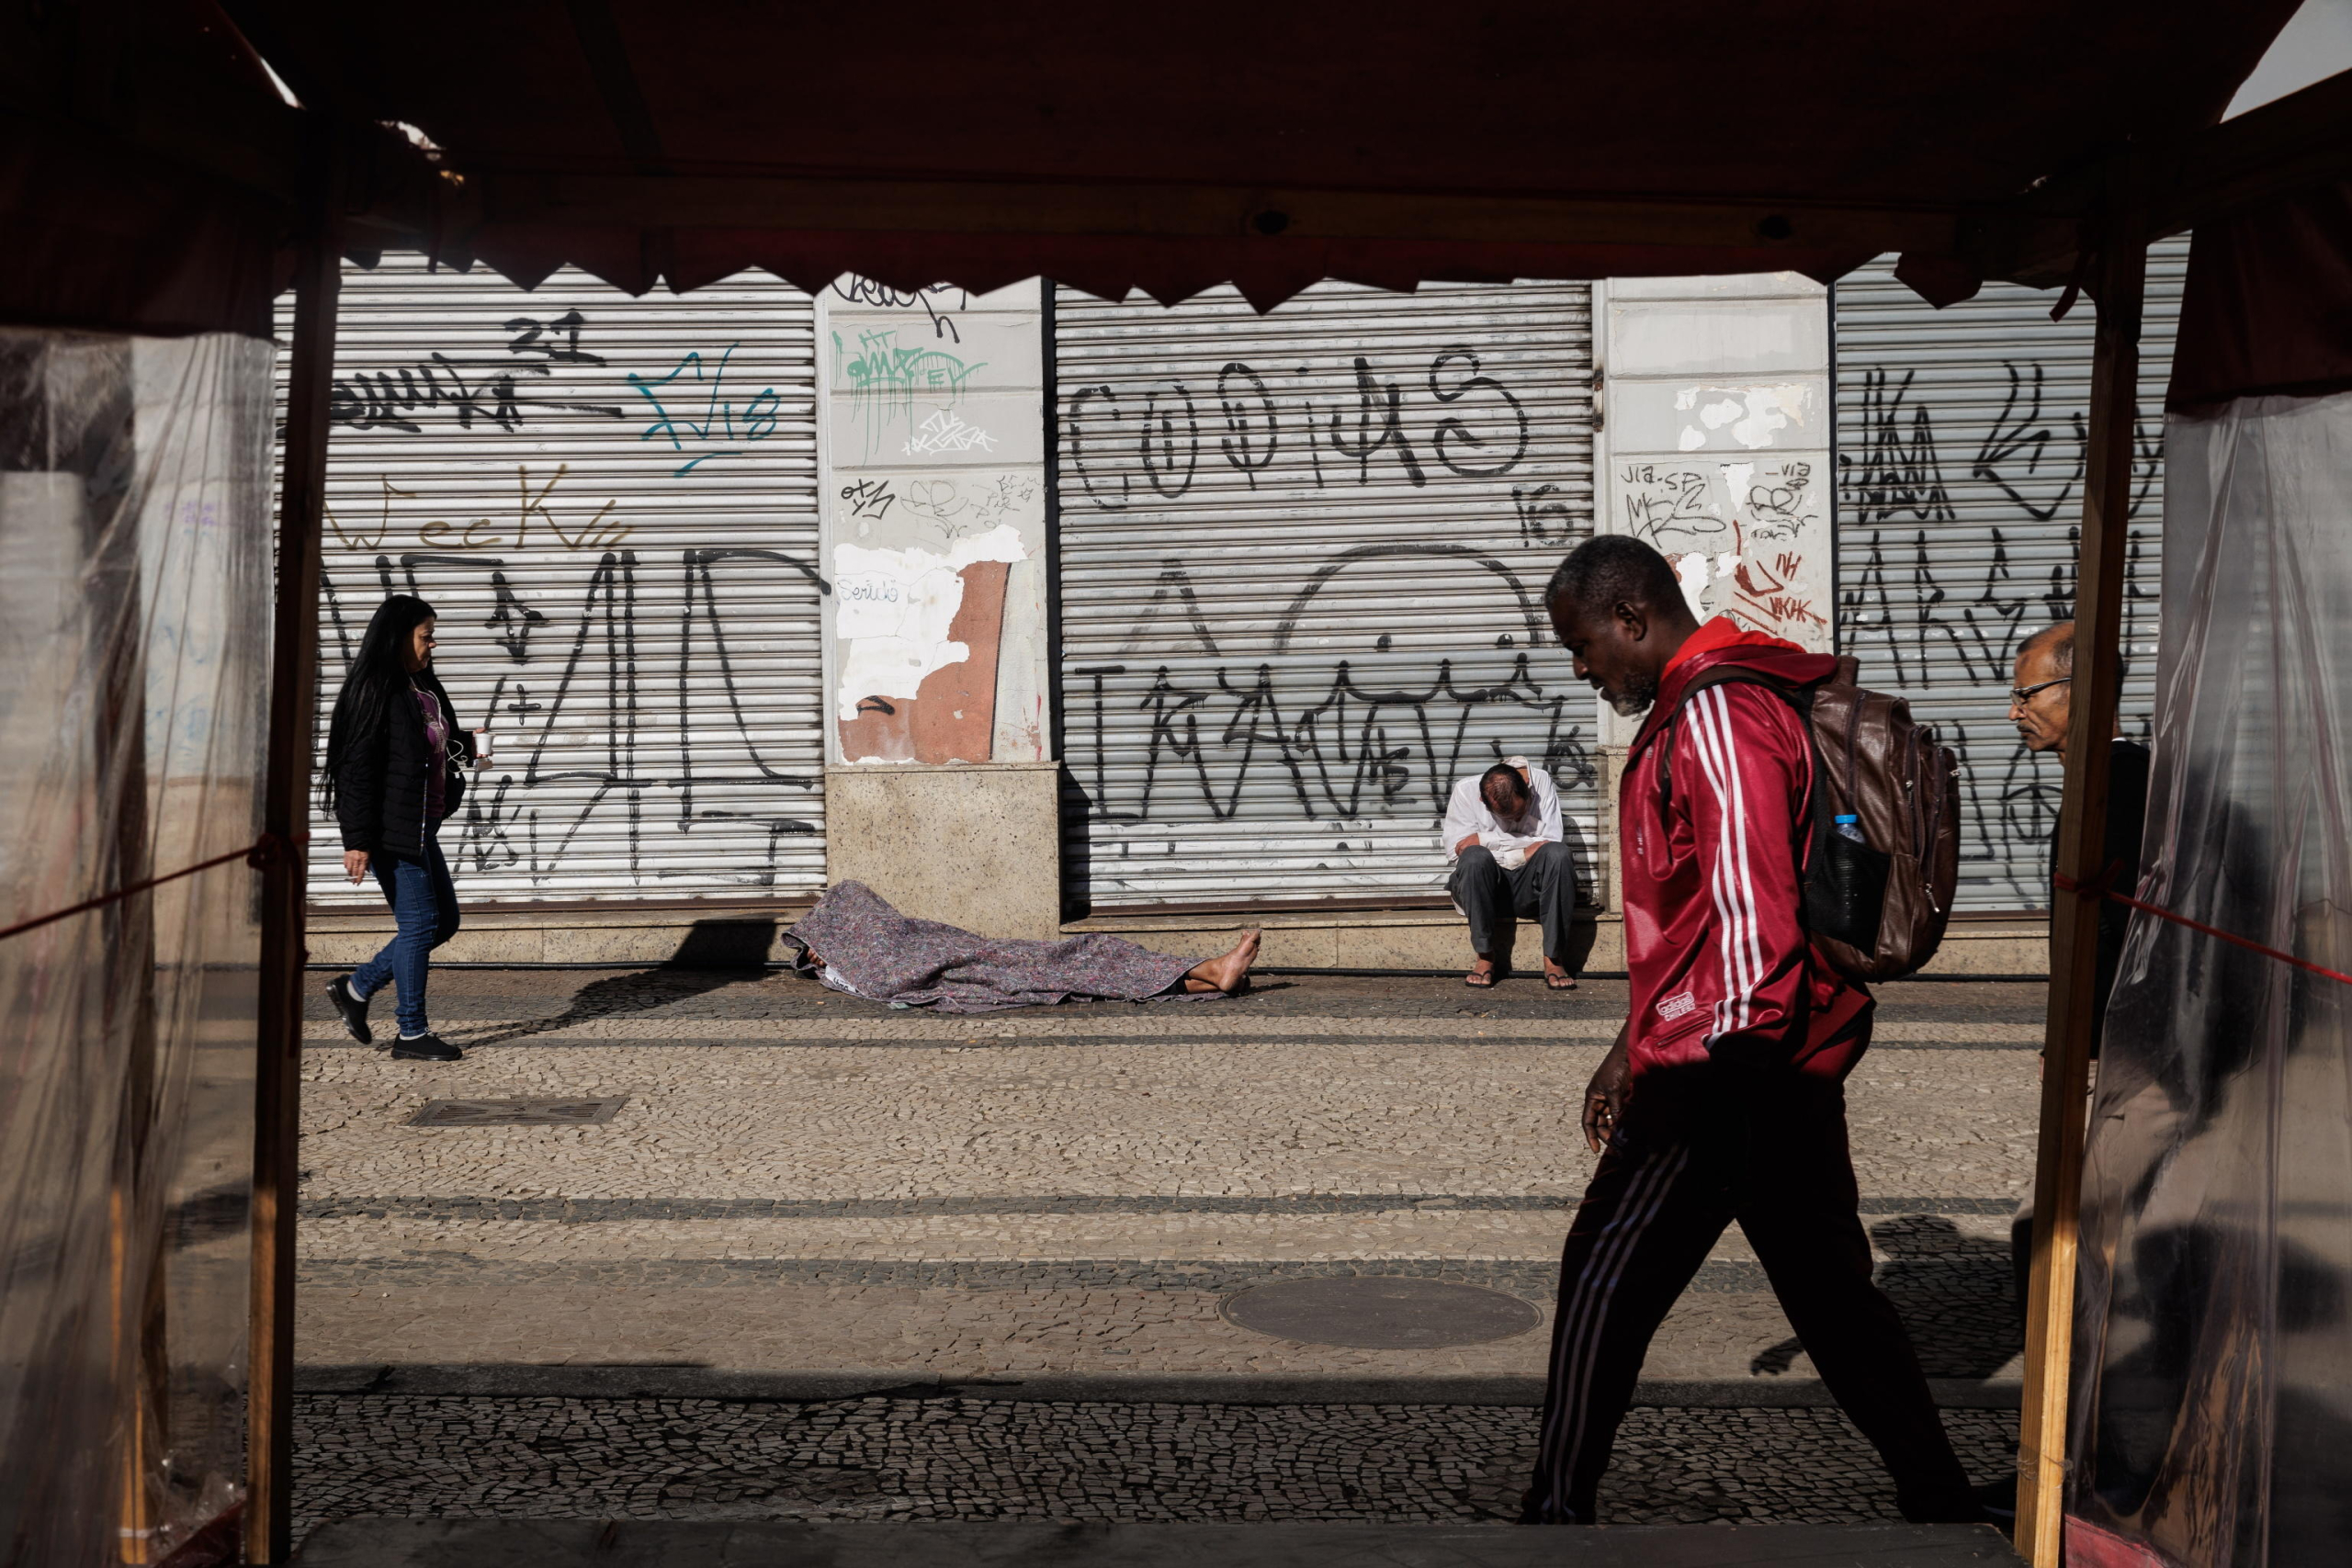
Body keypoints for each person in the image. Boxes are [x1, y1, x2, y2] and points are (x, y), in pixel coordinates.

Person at [1521, 535, 1979, 1527]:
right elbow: (1690, 917)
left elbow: (1748, 911)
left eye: (1583, 644)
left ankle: (1555, 1508)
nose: (1581, 668)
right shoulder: (1705, 707)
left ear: (1631, 617)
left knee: (1603, 1267)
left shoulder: (1718, 713)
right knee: (1829, 1294)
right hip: (1773, 1059)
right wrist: (1627, 1039)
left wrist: (1709, 1071)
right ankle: (1938, 1495)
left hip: (1735, 1061)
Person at [2000, 621, 2154, 1337]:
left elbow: (2112, 935)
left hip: (2143, 1054)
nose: (2013, 709)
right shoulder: (2110, 779)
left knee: (2062, 1225)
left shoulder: (2115, 788)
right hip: (2124, 1046)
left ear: (2079, 691)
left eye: (2025, 691)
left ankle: (2086, 1380)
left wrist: (2081, 1041)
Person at [320, 595, 481, 1062]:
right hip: (392, 829)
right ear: (399, 637)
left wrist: (469, 746)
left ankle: (356, 989)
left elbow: (437, 740)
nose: (433, 644)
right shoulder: (374, 689)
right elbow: (356, 770)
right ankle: (411, 1033)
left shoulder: (423, 686)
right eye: (426, 635)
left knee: (443, 921)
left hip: (421, 823)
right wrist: (358, 841)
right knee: (419, 924)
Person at [788, 880, 1260, 1013]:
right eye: (813, 949)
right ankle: (1211, 975)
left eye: (820, 940)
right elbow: (892, 981)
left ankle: (1212, 974)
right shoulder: (852, 972)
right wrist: (832, 958)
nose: (815, 952)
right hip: (963, 969)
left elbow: (902, 933)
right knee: (1073, 970)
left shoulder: (877, 934)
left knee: (1079, 959)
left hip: (966, 950)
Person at [1441, 756, 1577, 989]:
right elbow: (1457, 853)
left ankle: (1553, 958)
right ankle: (1485, 955)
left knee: (1558, 854)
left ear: (1528, 792)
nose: (1516, 820)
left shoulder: (1541, 782)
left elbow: (1549, 841)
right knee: (1474, 857)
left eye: (1520, 813)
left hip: (1530, 891)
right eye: (1508, 818)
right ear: (1482, 801)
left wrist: (1484, 839)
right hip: (1485, 893)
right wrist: (1521, 850)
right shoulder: (1465, 791)